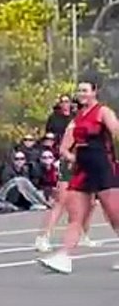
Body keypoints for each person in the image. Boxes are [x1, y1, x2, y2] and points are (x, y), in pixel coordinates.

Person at [38, 80, 119, 274]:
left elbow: (116, 132)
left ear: (94, 92)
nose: (81, 93)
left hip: (103, 167)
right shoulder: (77, 118)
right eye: (79, 90)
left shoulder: (103, 112)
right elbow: (65, 147)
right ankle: (64, 257)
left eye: (85, 90)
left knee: (115, 216)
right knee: (76, 217)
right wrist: (72, 157)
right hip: (83, 169)